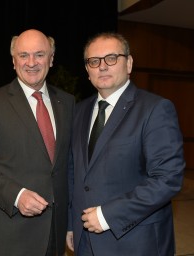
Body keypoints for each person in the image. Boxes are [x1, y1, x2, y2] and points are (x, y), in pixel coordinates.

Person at [66, 31, 185, 255]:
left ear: (129, 63)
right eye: (94, 61)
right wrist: (71, 223)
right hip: (85, 239)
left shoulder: (155, 109)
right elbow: (74, 172)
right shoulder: (79, 111)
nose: (102, 66)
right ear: (87, 70)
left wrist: (107, 215)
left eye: (111, 58)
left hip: (135, 241)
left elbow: (167, 178)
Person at [0, 29, 75, 256]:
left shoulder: (67, 102)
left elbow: (69, 167)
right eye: (24, 55)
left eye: (39, 54)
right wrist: (16, 195)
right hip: (11, 233)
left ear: (51, 59)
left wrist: (72, 222)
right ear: (14, 60)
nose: (32, 62)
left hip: (56, 232)